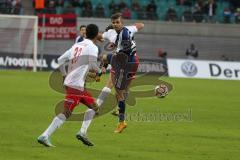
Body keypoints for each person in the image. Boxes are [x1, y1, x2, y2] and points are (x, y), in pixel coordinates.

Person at [37, 24, 102, 147]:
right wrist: (99, 71)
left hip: (77, 85)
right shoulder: (93, 47)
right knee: (67, 113)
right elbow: (93, 65)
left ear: (86, 33)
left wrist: (63, 76)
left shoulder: (76, 45)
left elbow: (61, 59)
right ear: (96, 34)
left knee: (95, 108)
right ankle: (44, 136)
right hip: (75, 86)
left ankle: (82, 132)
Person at [80, 13, 144, 136]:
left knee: (105, 59)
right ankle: (120, 114)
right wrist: (90, 34)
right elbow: (101, 37)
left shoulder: (125, 34)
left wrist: (115, 51)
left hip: (126, 62)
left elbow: (124, 52)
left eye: (117, 22)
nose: (115, 24)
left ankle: (121, 120)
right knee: (120, 91)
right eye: (114, 23)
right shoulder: (117, 31)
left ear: (122, 23)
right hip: (133, 61)